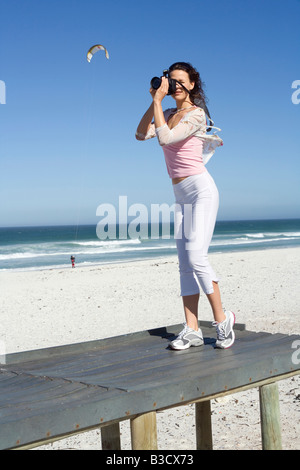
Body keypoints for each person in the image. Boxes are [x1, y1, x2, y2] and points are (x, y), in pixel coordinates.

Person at [136, 62, 235, 350]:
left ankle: (222, 320)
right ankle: (191, 328)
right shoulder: (167, 112)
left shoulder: (196, 114)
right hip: (180, 194)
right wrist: (154, 100)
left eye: (181, 82)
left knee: (196, 256)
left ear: (192, 85)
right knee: (184, 263)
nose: (176, 86)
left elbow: (164, 138)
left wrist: (157, 101)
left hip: (201, 191)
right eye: (172, 81)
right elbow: (142, 134)